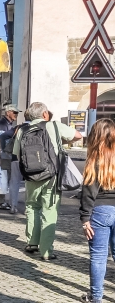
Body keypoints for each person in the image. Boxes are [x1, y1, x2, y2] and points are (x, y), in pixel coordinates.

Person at [12, 102, 82, 260]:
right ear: (44, 114)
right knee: (49, 211)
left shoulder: (22, 130)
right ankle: (46, 251)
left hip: (31, 175)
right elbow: (78, 136)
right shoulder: (55, 126)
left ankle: (32, 243)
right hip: (51, 176)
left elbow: (17, 154)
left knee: (32, 207)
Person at [79, 119, 115, 303]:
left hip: (100, 210)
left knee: (99, 257)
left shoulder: (94, 160)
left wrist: (85, 218)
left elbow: (88, 192)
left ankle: (96, 298)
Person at [0, 104, 21, 210]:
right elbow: (0, 140)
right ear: (8, 112)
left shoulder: (8, 124)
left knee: (5, 177)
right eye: (15, 112)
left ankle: (1, 201)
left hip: (6, 155)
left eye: (17, 113)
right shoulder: (2, 124)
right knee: (3, 177)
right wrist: (0, 156)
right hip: (4, 156)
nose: (16, 115)